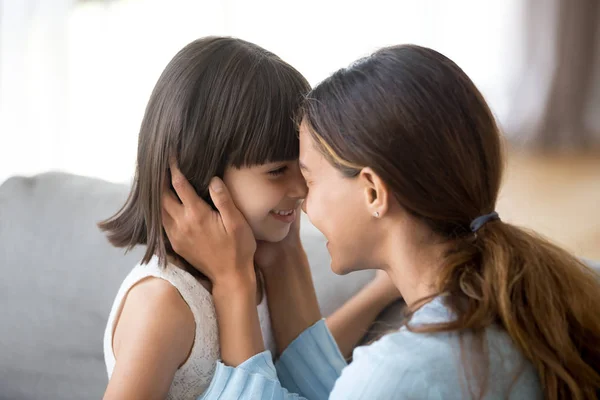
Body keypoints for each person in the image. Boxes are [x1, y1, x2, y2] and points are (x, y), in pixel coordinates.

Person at [162, 44, 600, 399]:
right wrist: (282, 255)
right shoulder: (566, 287)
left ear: (372, 191)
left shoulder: (398, 372)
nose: (303, 202)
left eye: (310, 178)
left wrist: (232, 282)